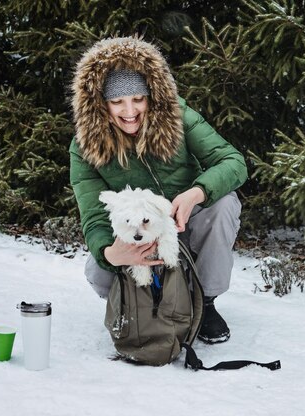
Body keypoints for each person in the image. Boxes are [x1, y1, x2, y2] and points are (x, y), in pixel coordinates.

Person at [69, 36, 247, 344]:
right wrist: (111, 252)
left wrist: (196, 193)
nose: (130, 111)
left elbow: (233, 162)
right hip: (137, 230)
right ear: (100, 104)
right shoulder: (85, 146)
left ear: (152, 94)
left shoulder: (178, 117)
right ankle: (138, 300)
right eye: (117, 102)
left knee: (224, 205)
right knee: (99, 274)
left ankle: (204, 302)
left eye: (138, 99)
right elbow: (94, 215)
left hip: (184, 223)